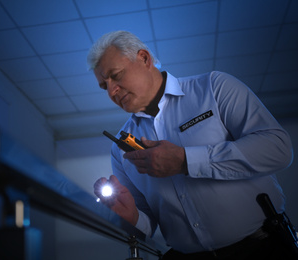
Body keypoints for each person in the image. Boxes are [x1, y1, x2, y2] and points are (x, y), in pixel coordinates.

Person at [87, 30, 295, 259]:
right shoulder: (120, 148)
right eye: (103, 86)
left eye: (115, 75)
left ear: (144, 59)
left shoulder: (214, 88)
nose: (111, 91)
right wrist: (130, 216)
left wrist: (186, 160)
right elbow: (147, 225)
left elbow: (278, 149)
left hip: (263, 248)